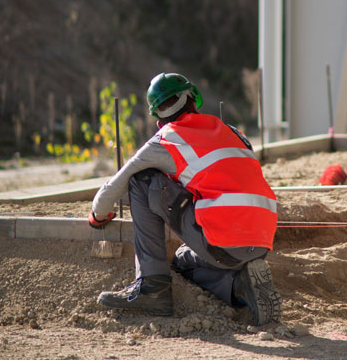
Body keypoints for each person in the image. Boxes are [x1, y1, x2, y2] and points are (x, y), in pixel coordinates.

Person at [88, 72, 281, 325]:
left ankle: (152, 286)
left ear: (157, 116)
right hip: (262, 241)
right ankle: (239, 287)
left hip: (222, 244)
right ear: (194, 99)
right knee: (182, 261)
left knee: (141, 180)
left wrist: (98, 215)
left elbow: (114, 187)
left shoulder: (166, 139)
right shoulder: (233, 132)